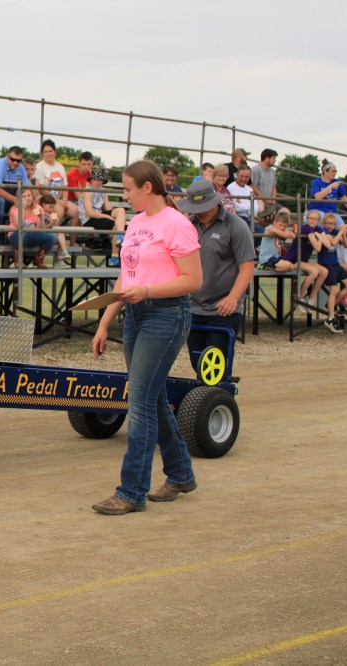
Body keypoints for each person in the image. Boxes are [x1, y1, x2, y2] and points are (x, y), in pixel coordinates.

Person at [91, 160, 202, 515]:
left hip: (167, 315)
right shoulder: (137, 222)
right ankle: (181, 473)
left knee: (139, 400)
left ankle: (131, 491)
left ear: (147, 188)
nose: (123, 195)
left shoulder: (177, 224)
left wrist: (149, 291)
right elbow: (126, 276)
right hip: (137, 313)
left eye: (127, 189)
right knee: (149, 398)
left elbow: (193, 280)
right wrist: (105, 321)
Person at [177, 180, 256, 376]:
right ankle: (206, 403)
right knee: (198, 363)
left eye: (204, 207)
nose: (201, 212)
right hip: (192, 307)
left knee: (215, 367)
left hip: (222, 310)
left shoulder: (236, 226)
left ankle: (217, 402)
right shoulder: (188, 226)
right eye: (196, 208)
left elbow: (247, 266)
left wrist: (233, 297)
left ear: (216, 202)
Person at [77, 167, 128, 268]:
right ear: (91, 180)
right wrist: (106, 216)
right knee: (114, 226)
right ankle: (114, 258)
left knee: (120, 210)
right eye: (96, 179)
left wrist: (112, 212)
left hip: (99, 215)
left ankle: (120, 235)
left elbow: (107, 207)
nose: (98, 182)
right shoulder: (86, 191)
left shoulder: (103, 191)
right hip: (89, 219)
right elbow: (90, 212)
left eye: (100, 180)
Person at [318, 212, 347, 333]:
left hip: (336, 264)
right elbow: (332, 243)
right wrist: (341, 231)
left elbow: (345, 244)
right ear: (324, 223)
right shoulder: (323, 231)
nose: (330, 225)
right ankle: (330, 318)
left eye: (332, 224)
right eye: (328, 223)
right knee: (334, 290)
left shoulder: (336, 232)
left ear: (335, 224)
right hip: (326, 264)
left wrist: (343, 233)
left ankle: (331, 305)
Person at [285, 209, 328, 315]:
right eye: (310, 218)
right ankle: (299, 298)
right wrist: (319, 237)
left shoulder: (318, 229)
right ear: (307, 219)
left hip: (303, 260)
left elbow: (327, 244)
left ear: (319, 221)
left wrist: (320, 236)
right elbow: (318, 248)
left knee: (324, 271)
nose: (312, 220)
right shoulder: (306, 228)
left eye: (315, 219)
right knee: (314, 272)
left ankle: (311, 299)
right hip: (293, 260)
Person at [7, 191, 59, 269]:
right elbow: (20, 226)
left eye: (29, 196)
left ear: (33, 197)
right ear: (19, 198)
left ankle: (38, 258)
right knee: (22, 234)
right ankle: (19, 260)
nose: (27, 198)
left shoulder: (37, 208)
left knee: (53, 236)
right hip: (16, 235)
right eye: (24, 196)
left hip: (32, 234)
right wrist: (23, 208)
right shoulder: (15, 209)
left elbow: (41, 230)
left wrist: (41, 218)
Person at [34, 139, 73, 219]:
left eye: (50, 151)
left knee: (76, 211)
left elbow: (65, 186)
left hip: (59, 199)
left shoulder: (60, 166)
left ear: (55, 152)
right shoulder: (39, 166)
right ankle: (52, 230)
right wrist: (58, 202)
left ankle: (72, 232)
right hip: (45, 200)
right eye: (46, 152)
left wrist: (64, 200)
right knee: (60, 211)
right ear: (42, 153)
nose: (48, 154)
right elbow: (41, 188)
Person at [249, 148, 287, 222]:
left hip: (270, 202)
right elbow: (252, 187)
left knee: (286, 212)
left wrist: (273, 199)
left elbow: (274, 187)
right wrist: (266, 199)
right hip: (259, 202)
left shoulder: (272, 172)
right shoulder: (256, 170)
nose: (275, 160)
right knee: (267, 215)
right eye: (273, 158)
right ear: (267, 158)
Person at [226, 164, 260, 230]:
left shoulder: (250, 189)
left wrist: (244, 206)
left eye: (246, 177)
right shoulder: (231, 187)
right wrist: (249, 207)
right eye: (242, 176)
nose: (244, 179)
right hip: (236, 218)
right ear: (237, 175)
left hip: (249, 219)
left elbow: (255, 208)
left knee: (263, 232)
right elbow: (238, 208)